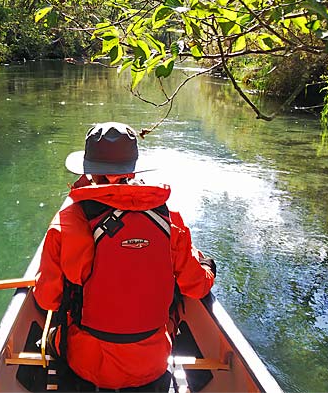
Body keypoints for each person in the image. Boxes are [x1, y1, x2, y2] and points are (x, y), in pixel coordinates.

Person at [33, 122, 216, 391]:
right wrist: (206, 267)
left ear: (89, 170)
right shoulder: (169, 219)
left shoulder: (67, 222)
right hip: (151, 365)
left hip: (87, 366)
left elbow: (47, 299)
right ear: (132, 169)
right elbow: (197, 285)